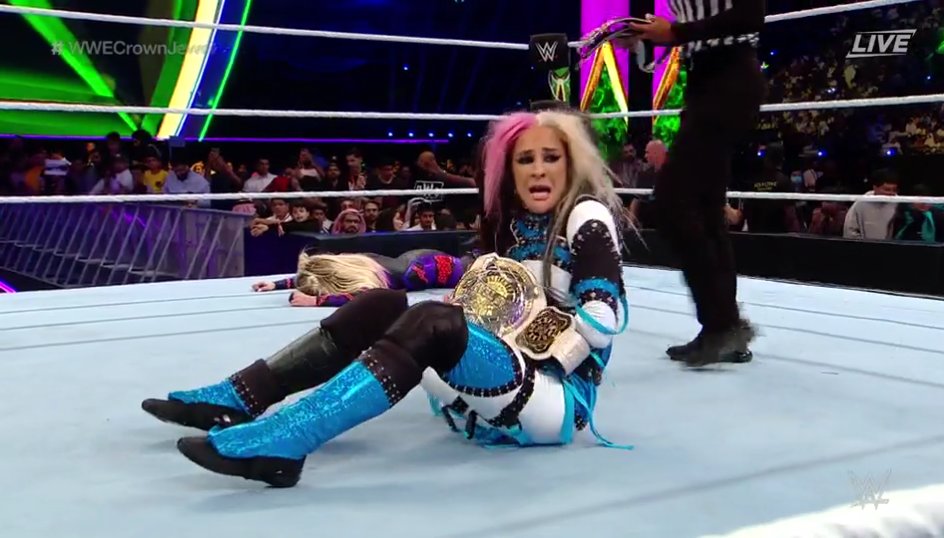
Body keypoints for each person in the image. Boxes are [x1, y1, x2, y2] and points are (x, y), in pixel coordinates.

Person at [143, 108, 630, 487]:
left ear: (571, 164)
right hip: (495, 379)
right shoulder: (513, 223)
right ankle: (241, 397)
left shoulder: (585, 215)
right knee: (383, 306)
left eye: (550, 157)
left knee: (435, 322)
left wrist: (519, 337)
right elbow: (479, 278)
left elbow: (602, 321)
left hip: (553, 397)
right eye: (526, 159)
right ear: (510, 169)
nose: (538, 170)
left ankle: (288, 438)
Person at [617, 1, 766, 366]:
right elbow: (684, 35)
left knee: (672, 204)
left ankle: (722, 324)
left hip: (730, 78)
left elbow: (752, 13)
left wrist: (675, 32)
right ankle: (723, 328)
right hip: (703, 81)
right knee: (707, 210)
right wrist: (643, 41)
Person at [250, 249, 474, 306]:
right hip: (419, 258)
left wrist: (317, 300)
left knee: (474, 269)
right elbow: (317, 268)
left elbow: (364, 297)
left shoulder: (369, 282)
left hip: (430, 267)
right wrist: (276, 284)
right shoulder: (352, 264)